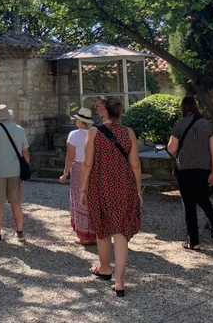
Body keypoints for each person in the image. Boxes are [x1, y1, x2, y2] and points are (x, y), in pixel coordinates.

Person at [81, 97, 142, 297]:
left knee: (103, 226)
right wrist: (138, 190)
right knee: (120, 232)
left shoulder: (94, 132)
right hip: (124, 184)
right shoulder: (129, 133)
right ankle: (119, 281)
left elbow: (87, 164)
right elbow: (135, 164)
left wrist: (83, 189)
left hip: (101, 183)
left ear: (105, 112)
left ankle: (105, 267)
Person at [167, 96, 213, 251]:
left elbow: (171, 148)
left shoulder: (179, 123)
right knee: (204, 200)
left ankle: (194, 241)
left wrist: (179, 154)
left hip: (184, 169)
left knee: (189, 205)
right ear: (196, 106)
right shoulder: (207, 125)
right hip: (203, 169)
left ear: (183, 108)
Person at [0, 104, 29, 243]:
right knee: (16, 201)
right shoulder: (19, 130)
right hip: (15, 169)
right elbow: (25, 152)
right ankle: (20, 232)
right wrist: (26, 167)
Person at [60, 108, 96, 245]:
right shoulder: (96, 133)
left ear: (80, 121)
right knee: (92, 198)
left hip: (79, 167)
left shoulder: (74, 134)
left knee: (79, 198)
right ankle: (95, 233)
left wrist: (65, 173)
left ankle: (84, 235)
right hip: (93, 168)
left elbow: (70, 156)